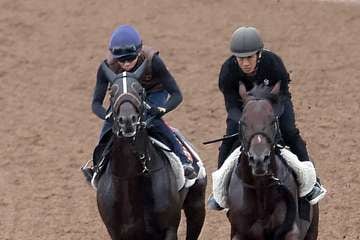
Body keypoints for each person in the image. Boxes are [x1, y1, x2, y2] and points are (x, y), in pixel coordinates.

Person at [208, 26, 326, 209]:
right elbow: (231, 105)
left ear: (259, 54)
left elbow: (283, 93)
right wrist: (248, 121)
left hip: (275, 105)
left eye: (249, 57)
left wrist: (271, 117)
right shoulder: (227, 71)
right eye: (240, 58)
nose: (245, 63)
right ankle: (220, 191)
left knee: (290, 132)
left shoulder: (273, 63)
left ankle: (313, 183)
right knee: (228, 140)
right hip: (243, 110)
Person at [81, 24, 196, 181]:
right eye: (122, 61)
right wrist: (107, 116)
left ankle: (183, 161)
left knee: (153, 123)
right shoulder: (106, 67)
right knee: (107, 130)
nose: (127, 64)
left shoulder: (153, 61)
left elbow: (176, 95)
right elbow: (95, 103)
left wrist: (162, 110)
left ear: (139, 51)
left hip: (153, 92)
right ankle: (97, 166)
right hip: (124, 97)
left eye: (131, 59)